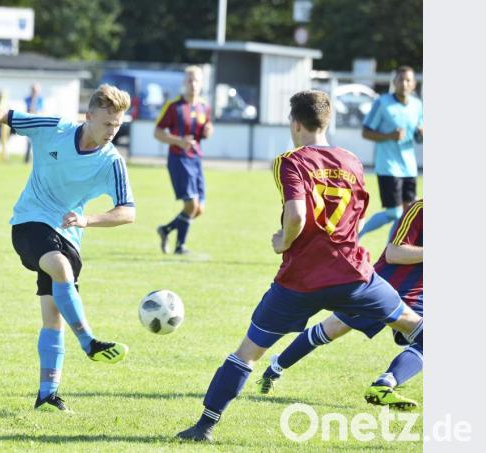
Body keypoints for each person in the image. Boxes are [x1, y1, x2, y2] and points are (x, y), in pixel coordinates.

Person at [175, 90, 424, 442]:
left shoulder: (290, 161)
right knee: (418, 327)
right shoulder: (352, 161)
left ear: (294, 123)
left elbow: (296, 214)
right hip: (354, 276)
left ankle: (204, 426)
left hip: (300, 280)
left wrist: (284, 240)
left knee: (247, 353)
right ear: (328, 121)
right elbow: (359, 213)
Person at [0, 84, 136, 412]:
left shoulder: (111, 162)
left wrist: (86, 220)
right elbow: (0, 114)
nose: (112, 131)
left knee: (53, 317)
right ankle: (89, 341)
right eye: (107, 123)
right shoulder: (54, 129)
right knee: (60, 268)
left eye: (118, 125)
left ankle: (47, 393)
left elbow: (128, 212)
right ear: (89, 116)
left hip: (69, 234)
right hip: (29, 222)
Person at [256, 199, 423, 409]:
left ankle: (384, 384)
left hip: (418, 295)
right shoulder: (420, 209)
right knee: (333, 328)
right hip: (388, 287)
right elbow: (394, 252)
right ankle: (276, 367)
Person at [359, 66, 423, 241]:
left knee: (407, 213)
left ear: (414, 84)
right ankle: (356, 237)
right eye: (400, 80)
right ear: (394, 83)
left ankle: (390, 249)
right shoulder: (382, 103)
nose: (404, 83)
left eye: (408, 80)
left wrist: (421, 135)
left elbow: (419, 137)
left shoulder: (418, 106)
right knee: (393, 212)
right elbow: (365, 132)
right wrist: (389, 136)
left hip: (409, 167)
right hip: (388, 166)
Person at [154, 66, 213, 255]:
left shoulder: (204, 106)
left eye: (196, 80)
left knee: (199, 208)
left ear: (201, 83)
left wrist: (208, 131)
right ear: (184, 83)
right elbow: (157, 132)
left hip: (196, 159)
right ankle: (180, 247)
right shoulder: (174, 107)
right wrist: (178, 141)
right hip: (178, 159)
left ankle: (166, 230)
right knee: (191, 205)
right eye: (189, 80)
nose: (193, 84)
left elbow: (206, 129)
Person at [23, 83, 45, 163]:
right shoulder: (28, 99)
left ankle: (39, 159)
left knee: (39, 142)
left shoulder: (41, 99)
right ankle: (27, 160)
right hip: (30, 123)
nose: (35, 92)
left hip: (38, 124)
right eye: (34, 90)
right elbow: (30, 110)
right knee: (29, 142)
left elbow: (40, 110)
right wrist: (33, 100)